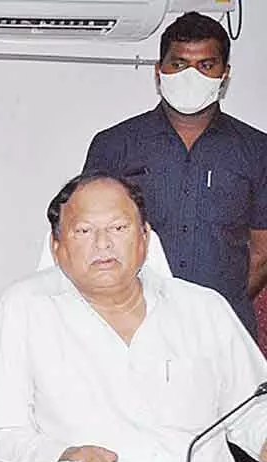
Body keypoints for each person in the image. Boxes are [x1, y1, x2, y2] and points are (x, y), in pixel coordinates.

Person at [0, 172, 267, 462]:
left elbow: (255, 415)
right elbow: (3, 436)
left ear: (145, 237)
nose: (103, 244)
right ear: (57, 247)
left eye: (118, 228)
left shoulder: (204, 309)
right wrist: (63, 455)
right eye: (84, 231)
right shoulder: (24, 309)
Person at [83, 11, 267, 340]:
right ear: (159, 71)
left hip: (224, 333)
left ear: (224, 75)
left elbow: (261, 253)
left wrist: (211, 306)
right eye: (179, 64)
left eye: (206, 65)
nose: (190, 76)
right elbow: (90, 242)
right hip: (133, 331)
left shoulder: (257, 151)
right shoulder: (114, 145)